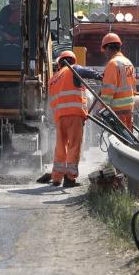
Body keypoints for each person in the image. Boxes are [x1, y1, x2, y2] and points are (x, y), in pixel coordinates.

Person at [41, 50, 102, 188]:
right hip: (74, 115)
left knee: (61, 147)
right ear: (71, 61)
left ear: (59, 64)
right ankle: (70, 178)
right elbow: (86, 72)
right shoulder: (73, 69)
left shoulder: (53, 79)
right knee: (74, 145)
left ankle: (56, 177)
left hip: (60, 118)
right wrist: (100, 76)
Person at [99, 33, 137, 131]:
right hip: (129, 108)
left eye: (105, 50)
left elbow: (108, 90)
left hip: (117, 110)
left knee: (120, 138)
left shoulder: (113, 64)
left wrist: (102, 109)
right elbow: (133, 85)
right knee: (128, 137)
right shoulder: (128, 62)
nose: (105, 53)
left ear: (108, 48)